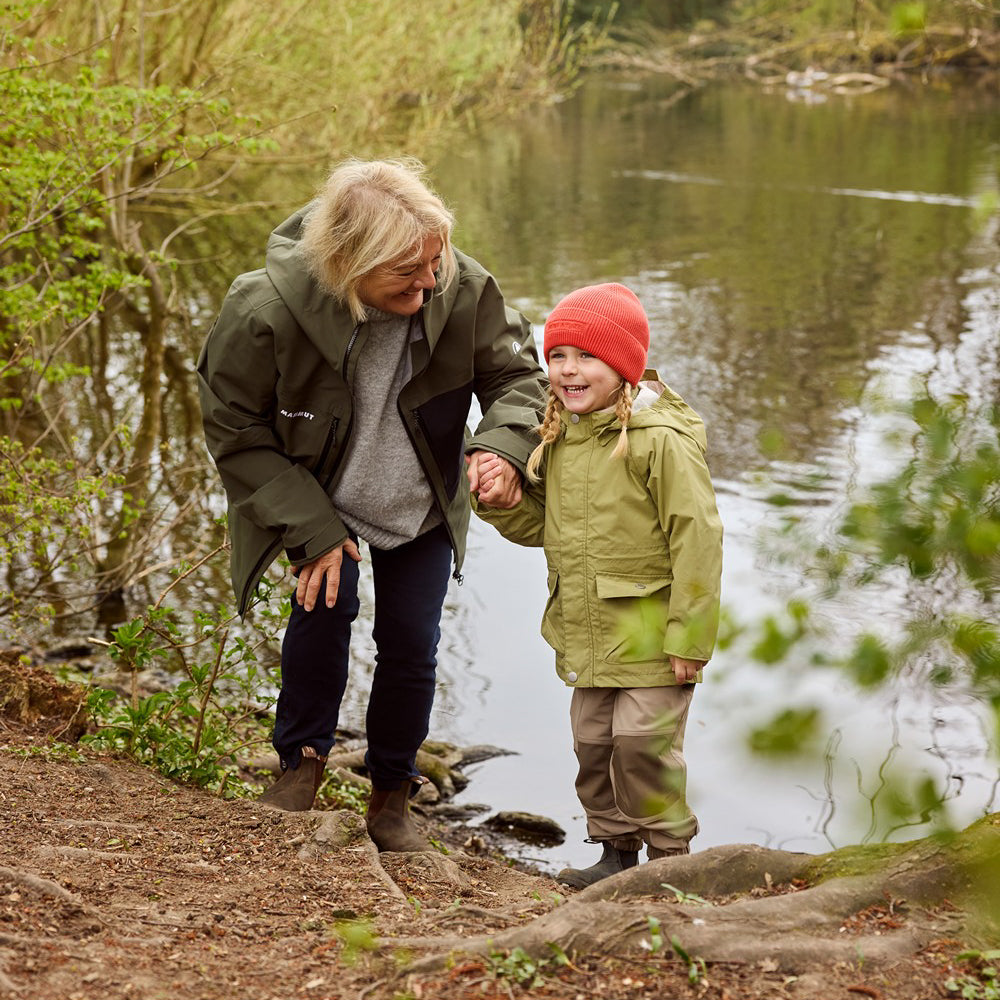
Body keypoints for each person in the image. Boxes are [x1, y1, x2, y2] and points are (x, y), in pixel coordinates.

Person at [197, 159, 547, 852]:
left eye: (434, 264)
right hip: (323, 501)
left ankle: (392, 797)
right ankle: (299, 770)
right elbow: (235, 429)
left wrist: (501, 448)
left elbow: (517, 376)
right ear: (346, 261)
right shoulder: (262, 308)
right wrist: (311, 528)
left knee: (412, 648)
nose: (428, 283)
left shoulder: (463, 286)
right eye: (406, 274)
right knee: (321, 624)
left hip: (418, 505)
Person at [472, 282, 723, 888]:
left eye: (586, 356)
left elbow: (699, 538)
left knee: (642, 746)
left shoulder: (658, 440)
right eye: (557, 355)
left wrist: (690, 636)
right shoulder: (560, 440)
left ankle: (668, 861)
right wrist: (503, 503)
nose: (568, 369)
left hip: (649, 634)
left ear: (624, 365)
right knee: (593, 747)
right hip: (585, 627)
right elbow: (549, 531)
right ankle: (613, 853)